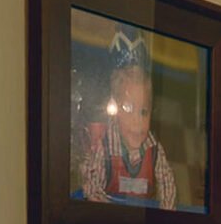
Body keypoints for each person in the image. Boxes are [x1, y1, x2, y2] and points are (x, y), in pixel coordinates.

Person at [74, 29, 178, 208]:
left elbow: (168, 185)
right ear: (115, 109)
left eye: (143, 111)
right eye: (129, 108)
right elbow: (91, 188)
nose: (138, 121)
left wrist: (165, 212)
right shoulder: (103, 147)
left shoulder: (154, 149)